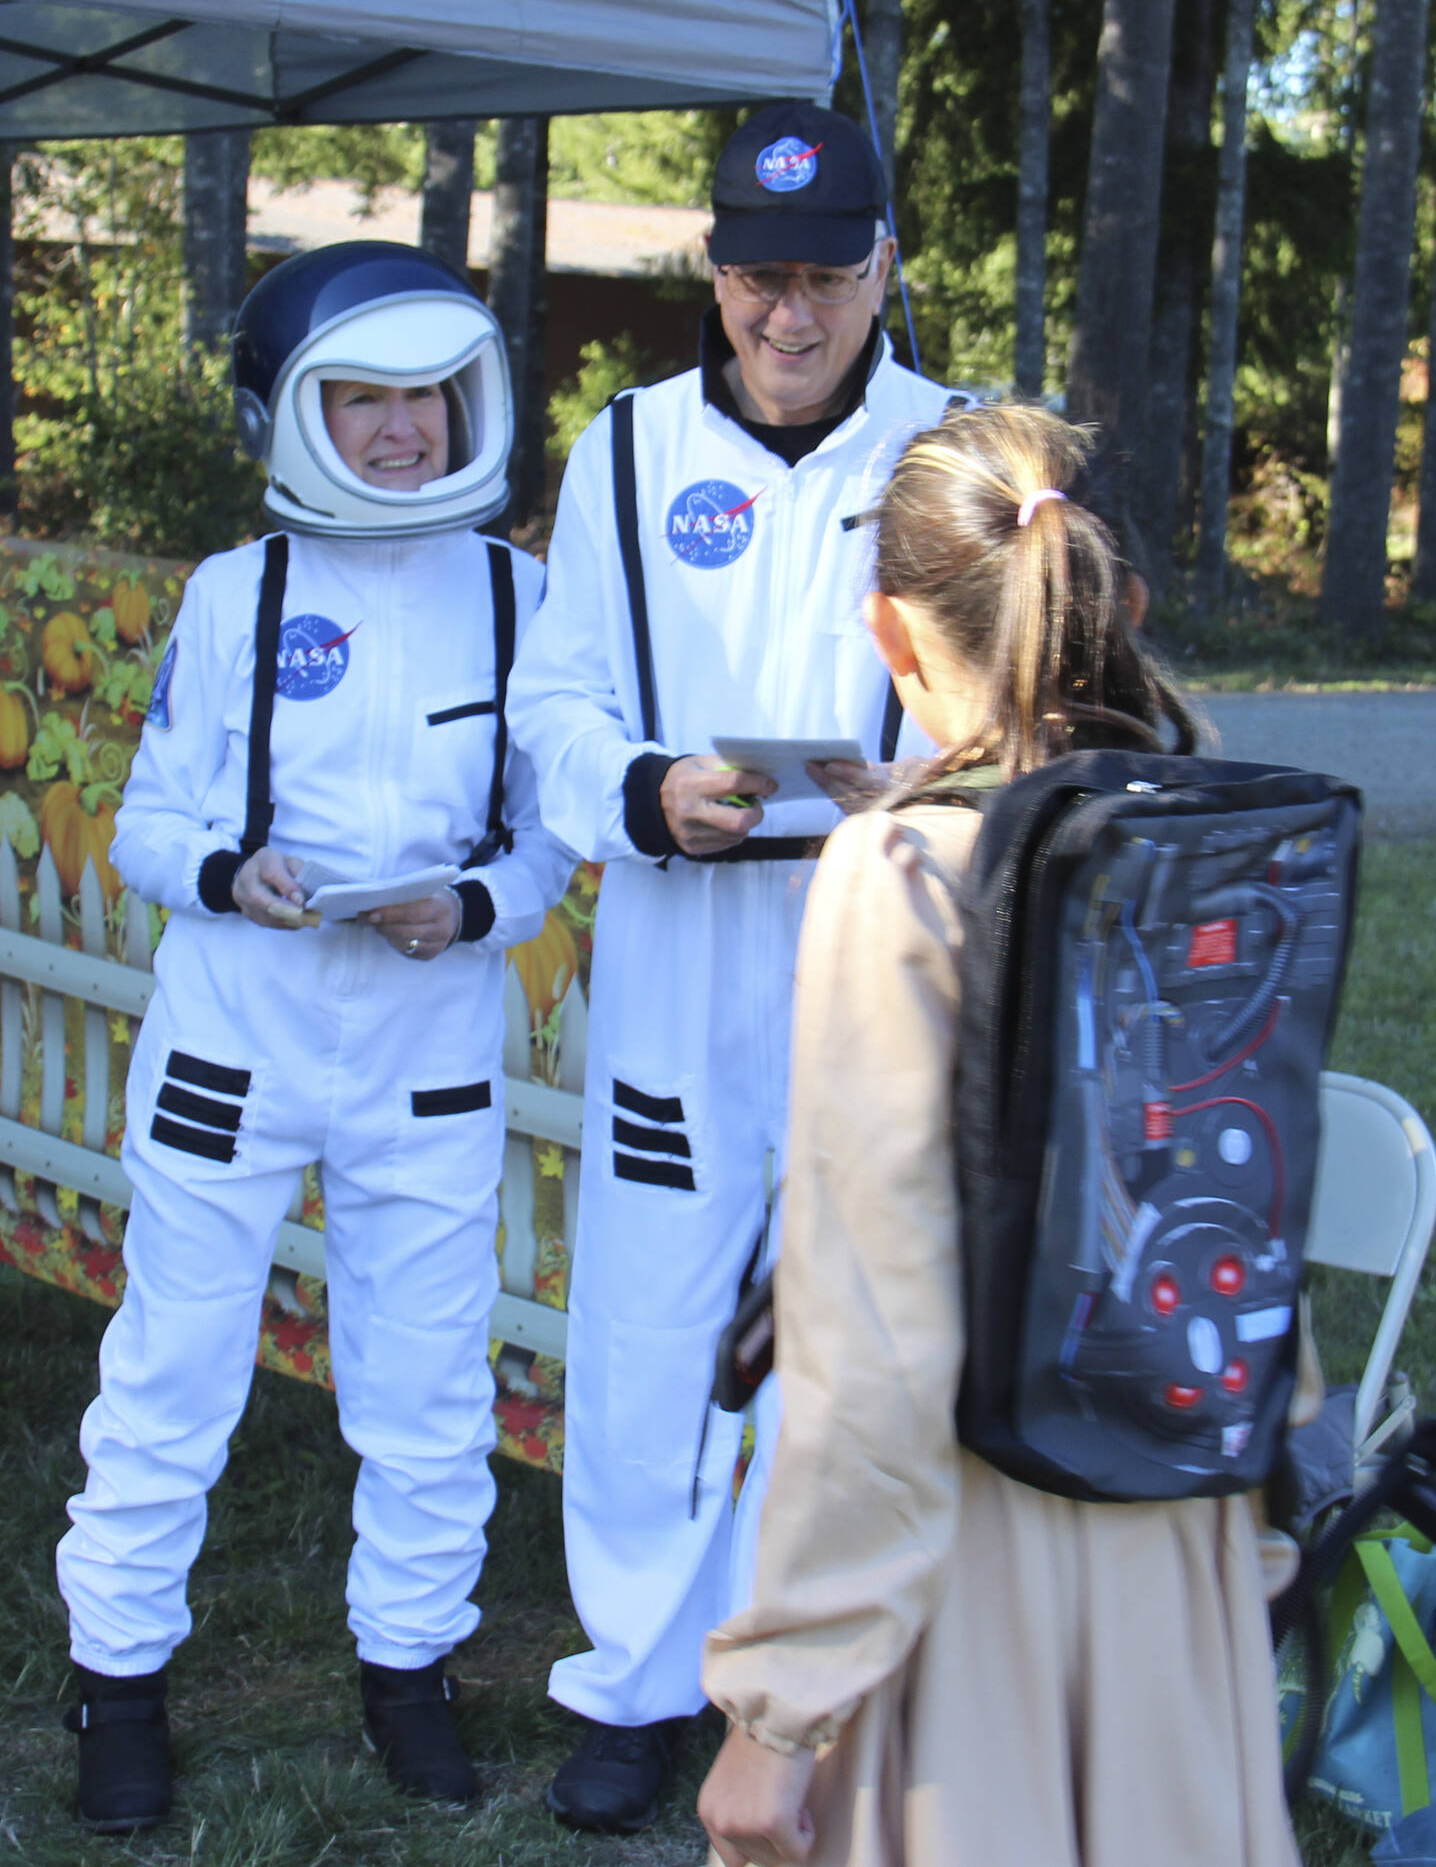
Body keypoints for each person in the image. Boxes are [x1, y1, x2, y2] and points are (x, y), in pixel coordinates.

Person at [692, 403, 1300, 1867]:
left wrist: (780, 1709)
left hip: (971, 1557)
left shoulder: (899, 872)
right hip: (1190, 1523)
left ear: (890, 637)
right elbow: (1254, 1201)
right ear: (1122, 604)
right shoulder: (1225, 839)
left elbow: (876, 1318)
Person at [55, 241, 577, 1832]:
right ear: (292, 417)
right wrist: (238, 875)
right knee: (173, 1366)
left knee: (424, 1378)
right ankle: (119, 1681)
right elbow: (147, 824)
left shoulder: (518, 591)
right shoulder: (236, 592)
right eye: (363, 398)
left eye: (428, 395)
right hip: (236, 1039)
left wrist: (473, 909)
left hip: (427, 1047)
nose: (406, 429)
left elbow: (548, 839)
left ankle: (409, 1670)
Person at [505, 101, 959, 1832]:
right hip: (680, 941)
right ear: (710, 266)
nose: (789, 315)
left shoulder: (951, 451)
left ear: (880, 272)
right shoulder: (623, 449)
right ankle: (634, 1676)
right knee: (651, 1311)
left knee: (854, 1320)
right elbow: (554, 701)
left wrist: (932, 778)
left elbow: (1042, 690)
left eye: (827, 278)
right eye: (759, 277)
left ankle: (814, 1677)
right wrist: (642, 786)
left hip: (879, 945)